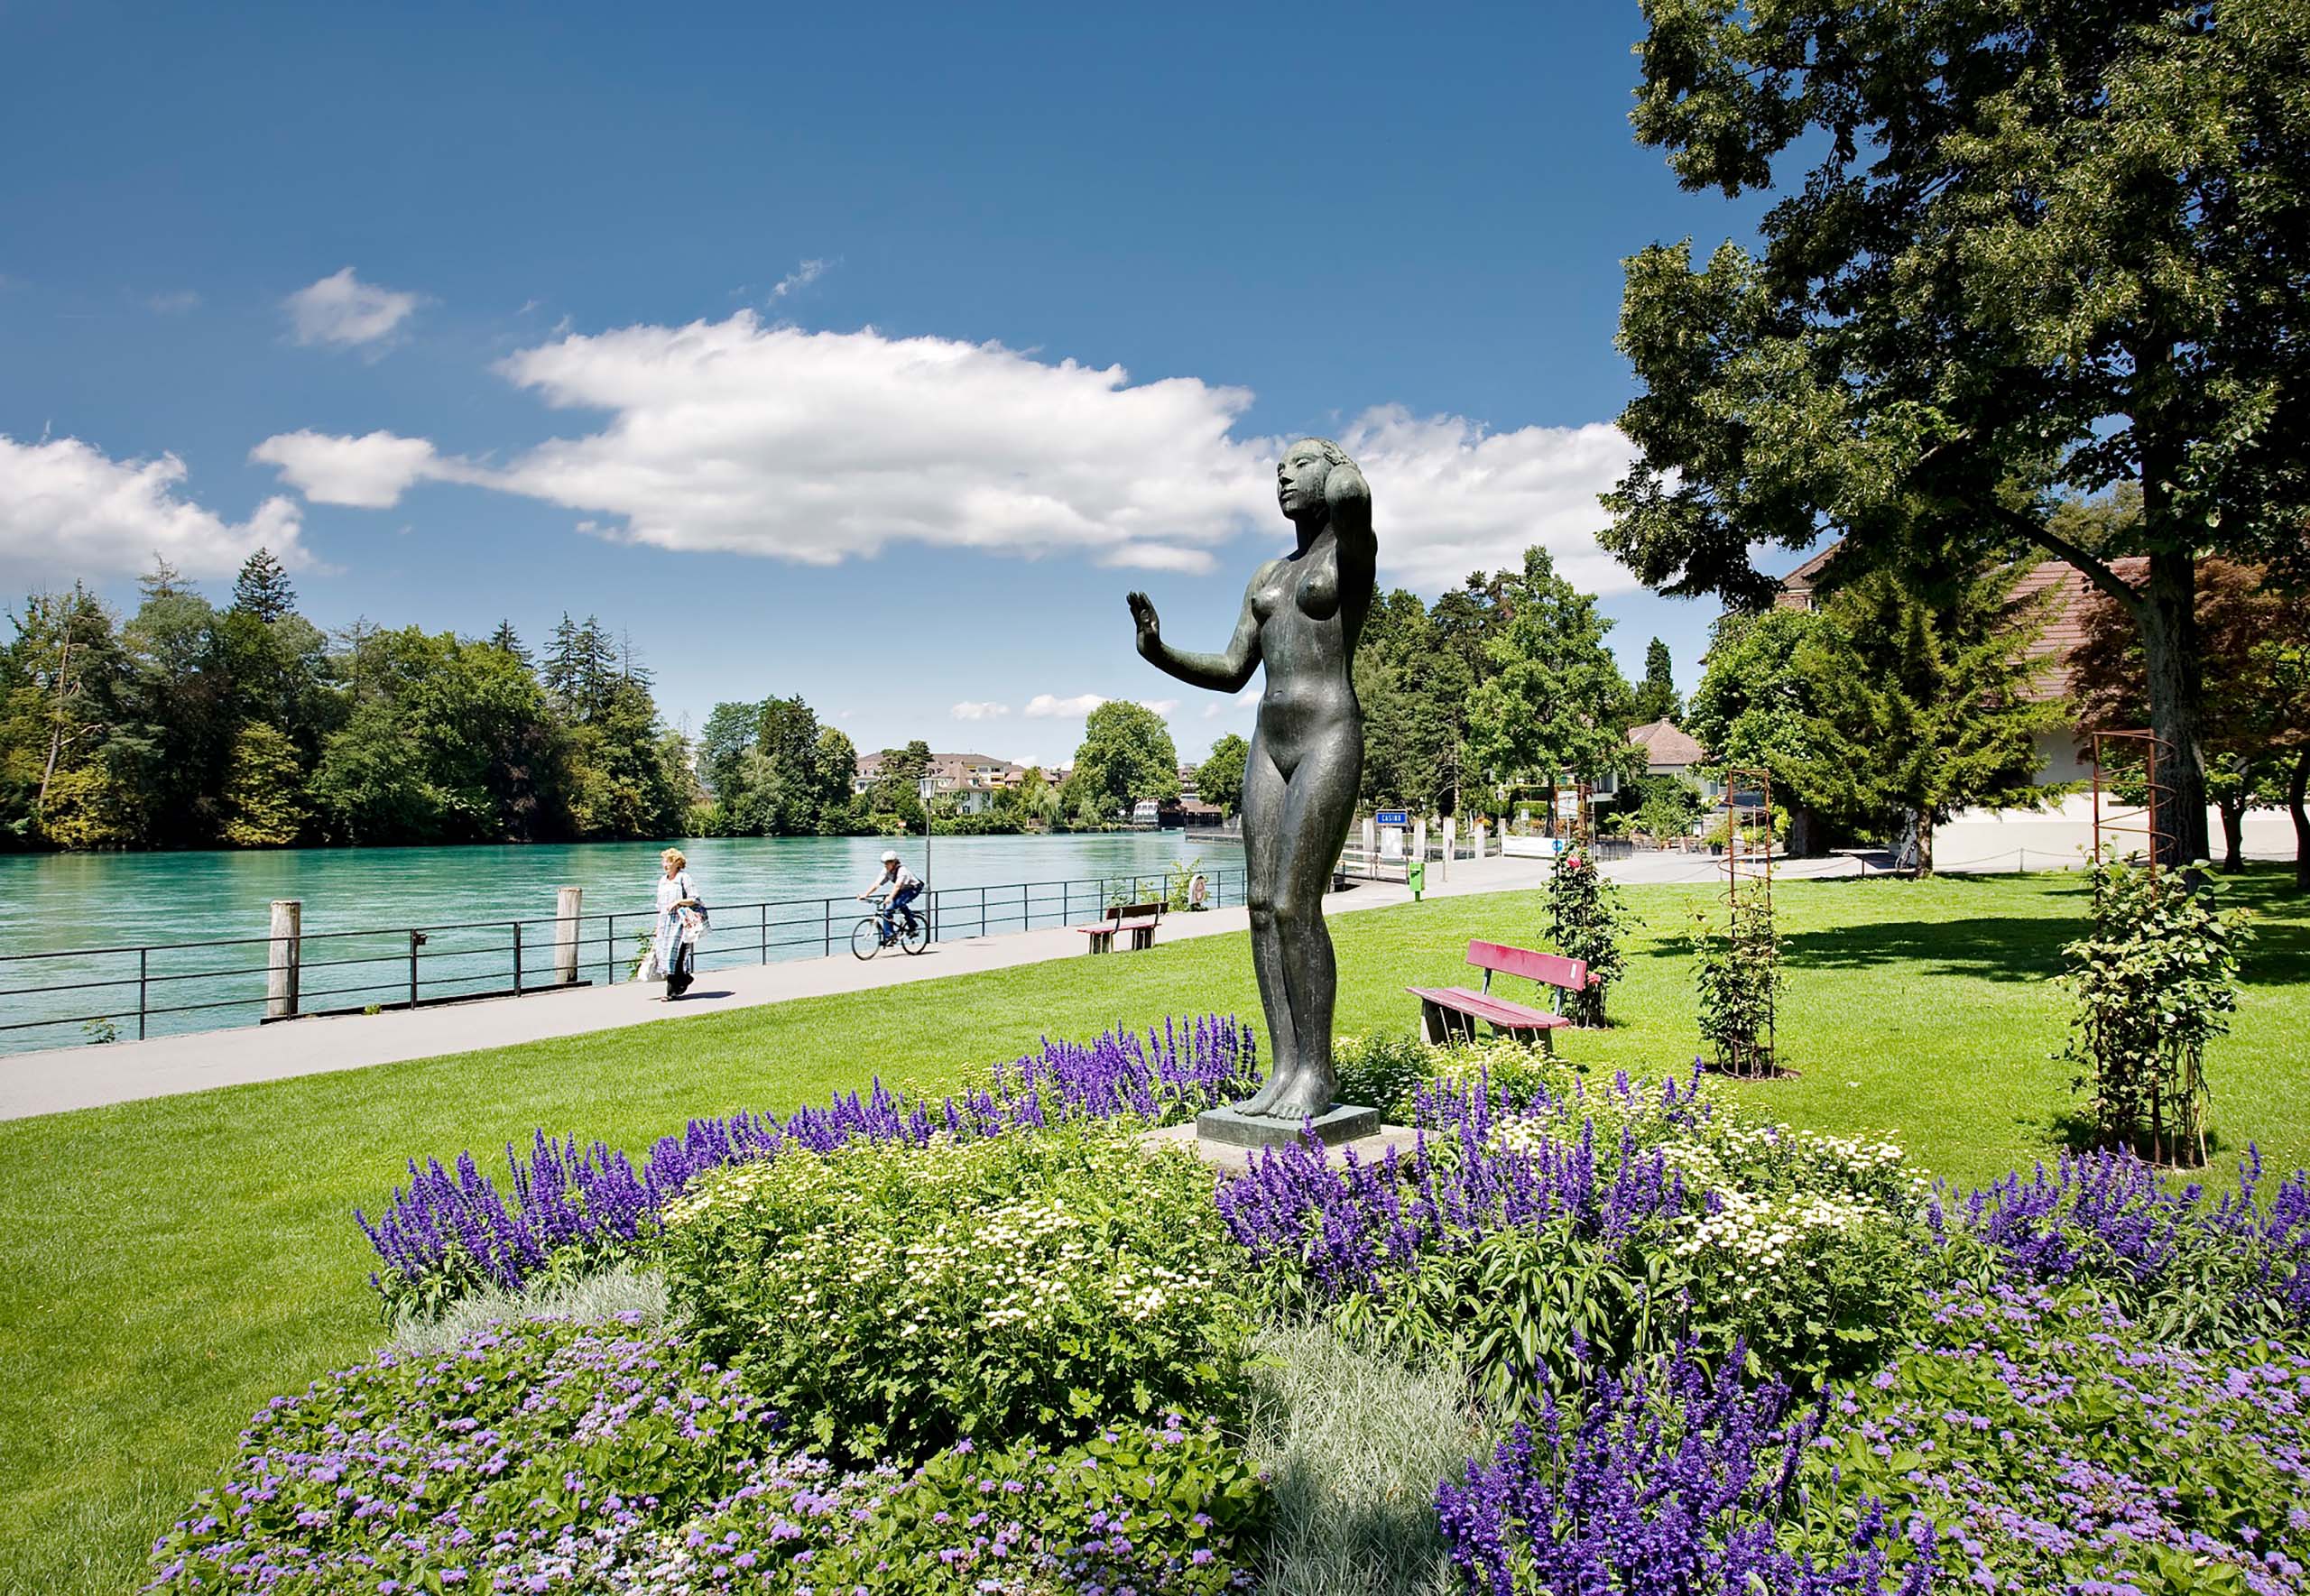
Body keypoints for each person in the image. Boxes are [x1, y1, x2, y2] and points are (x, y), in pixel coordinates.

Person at [1126, 437, 1372, 1121]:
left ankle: (1317, 1073)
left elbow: (1356, 505)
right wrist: (1158, 651)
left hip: (1328, 733)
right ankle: (1284, 1067)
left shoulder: (1348, 557)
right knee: (1261, 906)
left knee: (1298, 904)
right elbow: (1235, 668)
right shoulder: (1266, 574)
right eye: (1277, 471)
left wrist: (1342, 466)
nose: (1284, 477)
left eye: (1299, 466)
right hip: (1268, 742)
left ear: (1331, 473)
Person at [647, 847, 706, 1000]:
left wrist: (678, 902)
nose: (665, 864)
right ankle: (684, 979)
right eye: (664, 861)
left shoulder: (684, 878)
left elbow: (695, 898)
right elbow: (660, 906)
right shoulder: (662, 881)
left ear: (677, 863)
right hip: (665, 923)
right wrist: (657, 926)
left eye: (668, 861)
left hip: (681, 923)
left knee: (676, 955)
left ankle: (672, 992)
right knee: (665, 956)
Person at [859, 850, 925, 944]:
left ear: (894, 862)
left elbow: (897, 886)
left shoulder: (902, 870)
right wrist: (865, 895)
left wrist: (890, 898)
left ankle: (913, 925)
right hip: (902, 889)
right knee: (887, 911)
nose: (885, 865)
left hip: (913, 888)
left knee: (900, 903)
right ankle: (890, 936)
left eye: (888, 863)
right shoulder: (886, 871)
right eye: (884, 863)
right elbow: (876, 884)